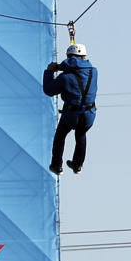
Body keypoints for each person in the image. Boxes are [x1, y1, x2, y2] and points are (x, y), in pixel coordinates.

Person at [43, 43, 98, 174]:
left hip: (71, 114)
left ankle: (57, 165)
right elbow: (79, 65)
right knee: (81, 135)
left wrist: (50, 71)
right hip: (89, 114)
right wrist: (64, 67)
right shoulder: (94, 72)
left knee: (60, 136)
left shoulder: (65, 78)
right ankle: (78, 165)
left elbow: (49, 90)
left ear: (68, 57)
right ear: (84, 56)